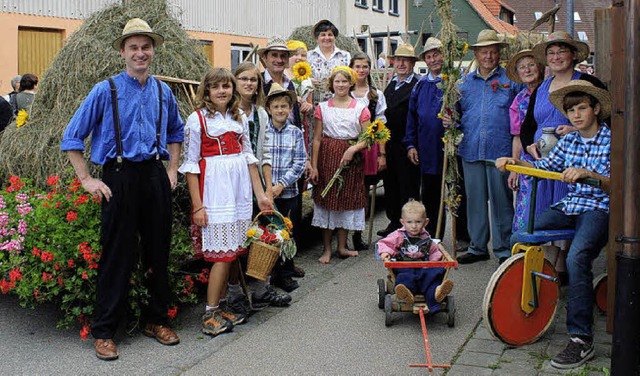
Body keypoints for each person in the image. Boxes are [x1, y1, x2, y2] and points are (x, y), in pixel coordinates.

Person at [61, 18, 182, 361]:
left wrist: (171, 170)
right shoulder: (105, 90)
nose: (140, 53)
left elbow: (175, 133)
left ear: (153, 51)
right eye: (133, 47)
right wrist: (87, 179)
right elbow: (72, 138)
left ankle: (155, 320)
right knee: (117, 254)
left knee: (159, 250)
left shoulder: (163, 90)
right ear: (122, 52)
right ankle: (104, 331)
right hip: (118, 176)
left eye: (146, 47)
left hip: (154, 176)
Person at [496, 80, 611, 370]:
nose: (576, 115)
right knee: (522, 235)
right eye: (571, 110)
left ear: (595, 109)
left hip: (599, 209)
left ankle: (581, 339)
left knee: (577, 258)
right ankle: (533, 300)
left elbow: (618, 183)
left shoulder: (612, 140)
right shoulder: (569, 141)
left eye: (582, 108)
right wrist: (514, 161)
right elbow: (544, 167)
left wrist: (588, 173)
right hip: (571, 207)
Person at [180, 68, 272, 336]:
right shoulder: (197, 119)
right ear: (206, 91)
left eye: (226, 86)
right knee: (222, 256)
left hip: (238, 191)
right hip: (215, 192)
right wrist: (198, 206)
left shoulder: (239, 116)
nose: (222, 91)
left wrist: (261, 196)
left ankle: (221, 306)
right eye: (216, 86)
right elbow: (191, 167)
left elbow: (249, 159)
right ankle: (210, 314)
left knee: (234, 251)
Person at [443, 30, 520, 265]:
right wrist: (449, 121)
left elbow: (519, 115)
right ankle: (478, 247)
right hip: (472, 148)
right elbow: (455, 114)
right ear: (476, 54)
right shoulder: (462, 84)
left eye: (494, 52)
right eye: (484, 52)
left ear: (499, 54)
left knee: (501, 202)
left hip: (500, 150)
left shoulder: (511, 82)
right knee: (475, 200)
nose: (489, 56)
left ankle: (504, 248)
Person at [519, 32, 607, 228]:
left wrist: (576, 130)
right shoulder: (541, 88)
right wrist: (529, 147)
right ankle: (548, 259)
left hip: (571, 164)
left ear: (574, 55)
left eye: (561, 52)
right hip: (543, 162)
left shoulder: (588, 83)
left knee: (565, 221)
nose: (556, 57)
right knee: (542, 218)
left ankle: (562, 259)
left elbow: (605, 119)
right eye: (551, 53)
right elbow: (527, 127)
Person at [230, 62, 293, 310]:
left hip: (257, 181)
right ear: (235, 81)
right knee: (236, 237)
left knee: (264, 235)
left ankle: (260, 289)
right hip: (235, 181)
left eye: (254, 80)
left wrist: (267, 188)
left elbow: (264, 153)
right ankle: (233, 293)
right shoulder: (231, 111)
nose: (249, 83)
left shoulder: (261, 113)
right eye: (244, 79)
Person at [405, 37, 469, 242]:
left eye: (437, 54)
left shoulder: (457, 82)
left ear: (445, 55)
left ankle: (462, 236)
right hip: (427, 148)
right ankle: (433, 236)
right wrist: (411, 144)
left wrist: (455, 124)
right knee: (431, 193)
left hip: (452, 149)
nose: (433, 60)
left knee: (458, 194)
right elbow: (412, 117)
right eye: (429, 56)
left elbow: (467, 113)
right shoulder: (420, 86)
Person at [310, 66, 370, 264]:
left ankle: (342, 247)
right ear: (331, 84)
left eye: (345, 81)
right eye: (337, 81)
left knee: (345, 200)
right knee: (327, 201)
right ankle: (327, 249)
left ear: (351, 83)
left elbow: (368, 138)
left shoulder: (360, 107)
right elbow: (317, 139)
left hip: (350, 159)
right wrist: (315, 165)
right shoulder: (323, 107)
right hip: (327, 156)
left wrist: (352, 150)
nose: (341, 85)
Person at [262, 83, 307, 289]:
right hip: (266, 192)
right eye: (276, 106)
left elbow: (299, 163)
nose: (280, 110)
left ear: (290, 109)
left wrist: (281, 184)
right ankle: (269, 272)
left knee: (288, 232)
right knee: (269, 232)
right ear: (269, 109)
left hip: (288, 191)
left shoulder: (296, 133)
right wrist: (268, 187)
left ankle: (286, 273)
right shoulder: (263, 132)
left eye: (284, 106)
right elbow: (258, 159)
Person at [377, 200, 454, 313]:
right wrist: (385, 252)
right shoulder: (399, 235)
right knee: (405, 278)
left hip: (423, 267)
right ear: (402, 222)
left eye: (418, 222)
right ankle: (406, 294)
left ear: (425, 222)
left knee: (435, 275)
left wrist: (433, 262)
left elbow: (434, 251)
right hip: (405, 266)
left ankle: (436, 293)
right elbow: (384, 243)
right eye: (409, 222)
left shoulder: (425, 236)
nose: (413, 226)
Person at [377, 43, 421, 237]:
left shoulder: (417, 85)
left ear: (412, 63)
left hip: (406, 143)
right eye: (398, 60)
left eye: (406, 60)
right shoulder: (390, 85)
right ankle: (394, 221)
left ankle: (409, 224)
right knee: (390, 184)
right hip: (389, 143)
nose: (401, 64)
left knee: (407, 185)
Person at [349, 51, 387, 250]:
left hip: (368, 148)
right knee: (348, 190)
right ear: (351, 68)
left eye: (365, 66)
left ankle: (358, 233)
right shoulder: (344, 92)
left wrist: (382, 154)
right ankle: (343, 233)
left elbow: (381, 126)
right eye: (358, 66)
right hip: (347, 145)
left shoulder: (375, 95)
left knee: (362, 192)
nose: (361, 70)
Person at [505, 49, 545, 233]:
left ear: (540, 67)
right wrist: (515, 168)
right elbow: (517, 136)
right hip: (527, 160)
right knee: (527, 206)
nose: (527, 70)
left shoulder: (549, 91)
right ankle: (527, 252)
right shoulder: (519, 100)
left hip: (553, 157)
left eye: (531, 65)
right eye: (522, 67)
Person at [308, 19, 352, 104]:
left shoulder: (345, 56)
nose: (327, 38)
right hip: (315, 105)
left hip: (339, 104)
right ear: (317, 38)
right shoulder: (308, 56)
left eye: (330, 35)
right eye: (323, 35)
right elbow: (300, 79)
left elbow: (351, 78)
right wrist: (308, 81)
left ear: (334, 37)